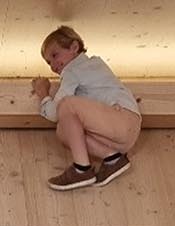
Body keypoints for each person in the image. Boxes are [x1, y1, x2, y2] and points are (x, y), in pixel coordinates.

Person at [31, 26, 141, 191]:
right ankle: (113, 158)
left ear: (74, 47)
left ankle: (81, 169)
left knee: (66, 105)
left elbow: (55, 113)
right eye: (48, 62)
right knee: (63, 131)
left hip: (121, 119)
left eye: (55, 55)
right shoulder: (93, 65)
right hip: (122, 135)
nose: (52, 66)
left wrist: (43, 93)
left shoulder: (73, 70)